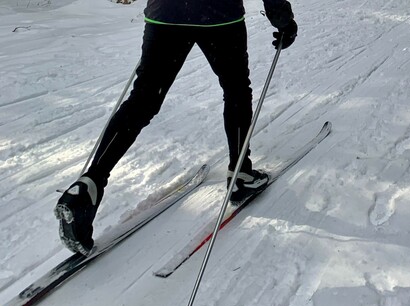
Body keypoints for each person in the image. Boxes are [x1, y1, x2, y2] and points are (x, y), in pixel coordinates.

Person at [54, 0, 298, 256]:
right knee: (235, 89)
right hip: (219, 15)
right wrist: (282, 18)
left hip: (166, 14)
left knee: (143, 99)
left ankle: (89, 185)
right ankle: (240, 174)